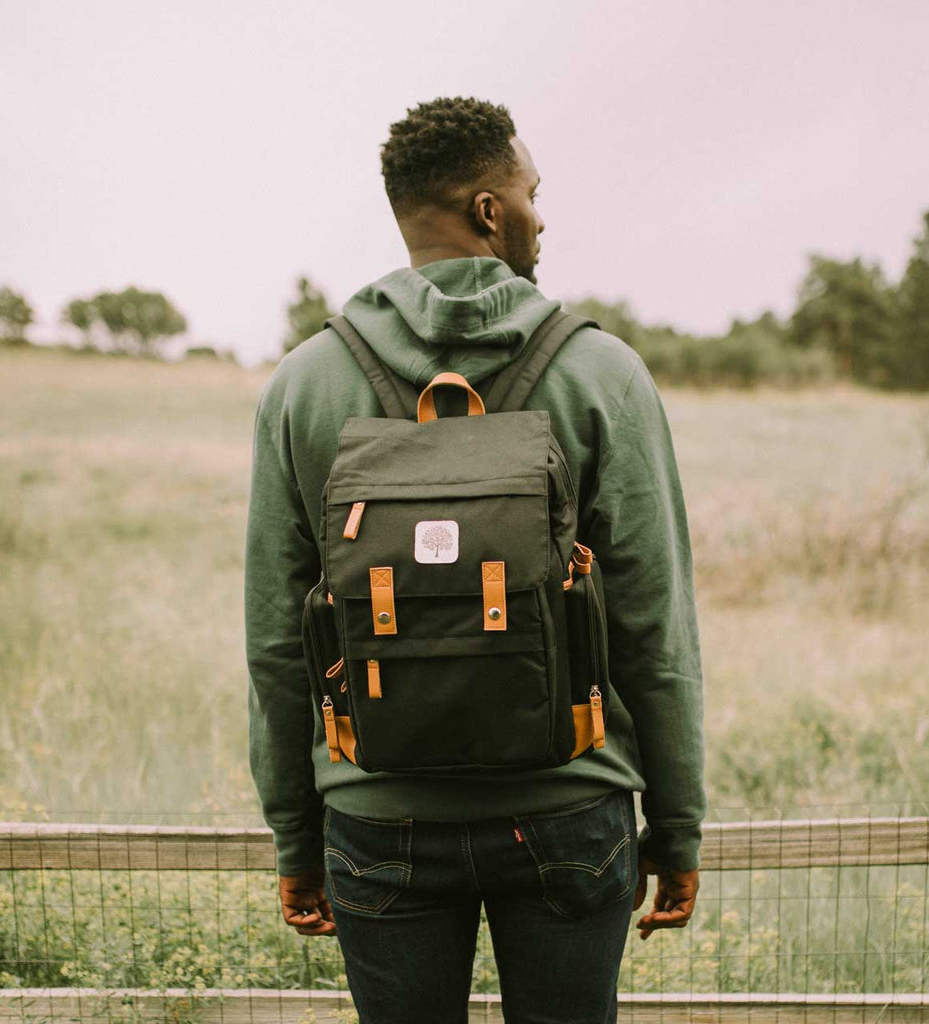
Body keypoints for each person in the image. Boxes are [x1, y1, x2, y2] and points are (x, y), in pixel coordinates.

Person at [245, 96, 705, 1024]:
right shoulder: (601, 373)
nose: (544, 213)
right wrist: (678, 825)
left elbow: (276, 640)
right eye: (533, 192)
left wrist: (298, 836)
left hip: (377, 816)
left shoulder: (304, 384)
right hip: (571, 807)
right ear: (493, 211)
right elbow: (655, 627)